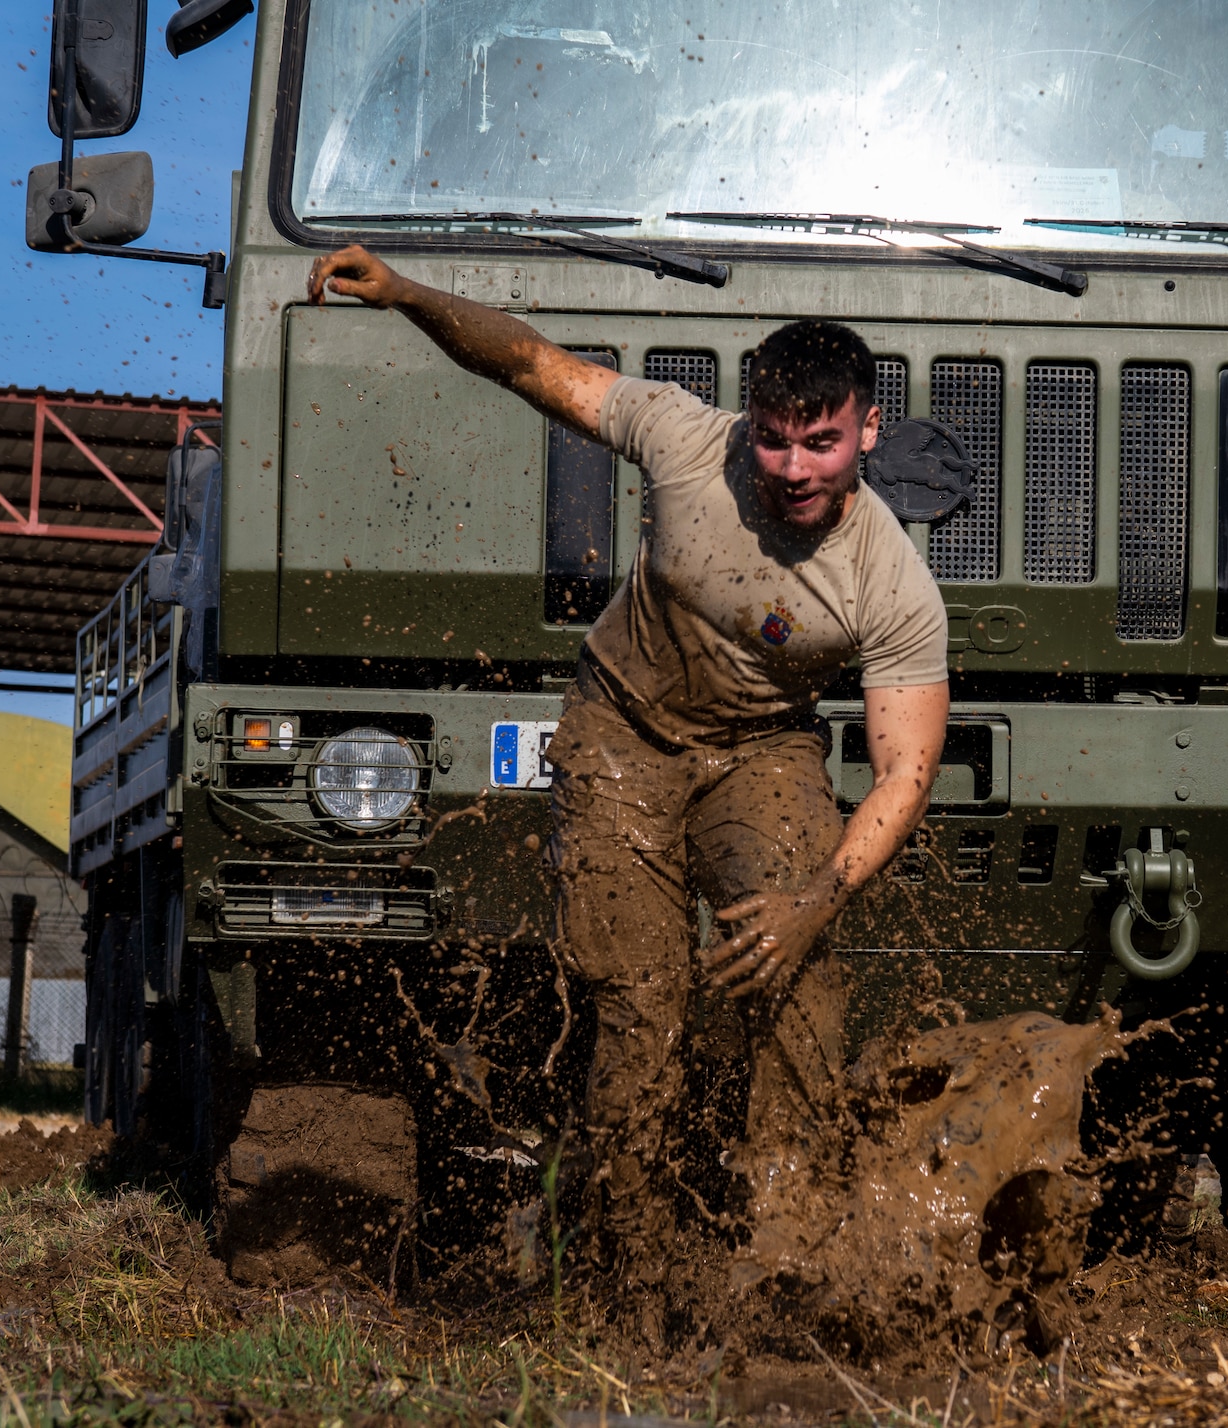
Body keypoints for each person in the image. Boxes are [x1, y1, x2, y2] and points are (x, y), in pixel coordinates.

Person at [305, 247, 951, 1327]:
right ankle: (625, 1284)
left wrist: (813, 901)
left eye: (822, 443)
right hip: (620, 734)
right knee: (640, 1006)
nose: (793, 470)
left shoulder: (891, 582)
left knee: (797, 980)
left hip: (761, 749)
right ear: (750, 423)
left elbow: (905, 773)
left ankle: (780, 1270)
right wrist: (409, 294)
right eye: (777, 440)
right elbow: (524, 362)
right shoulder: (683, 436)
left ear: (867, 432)